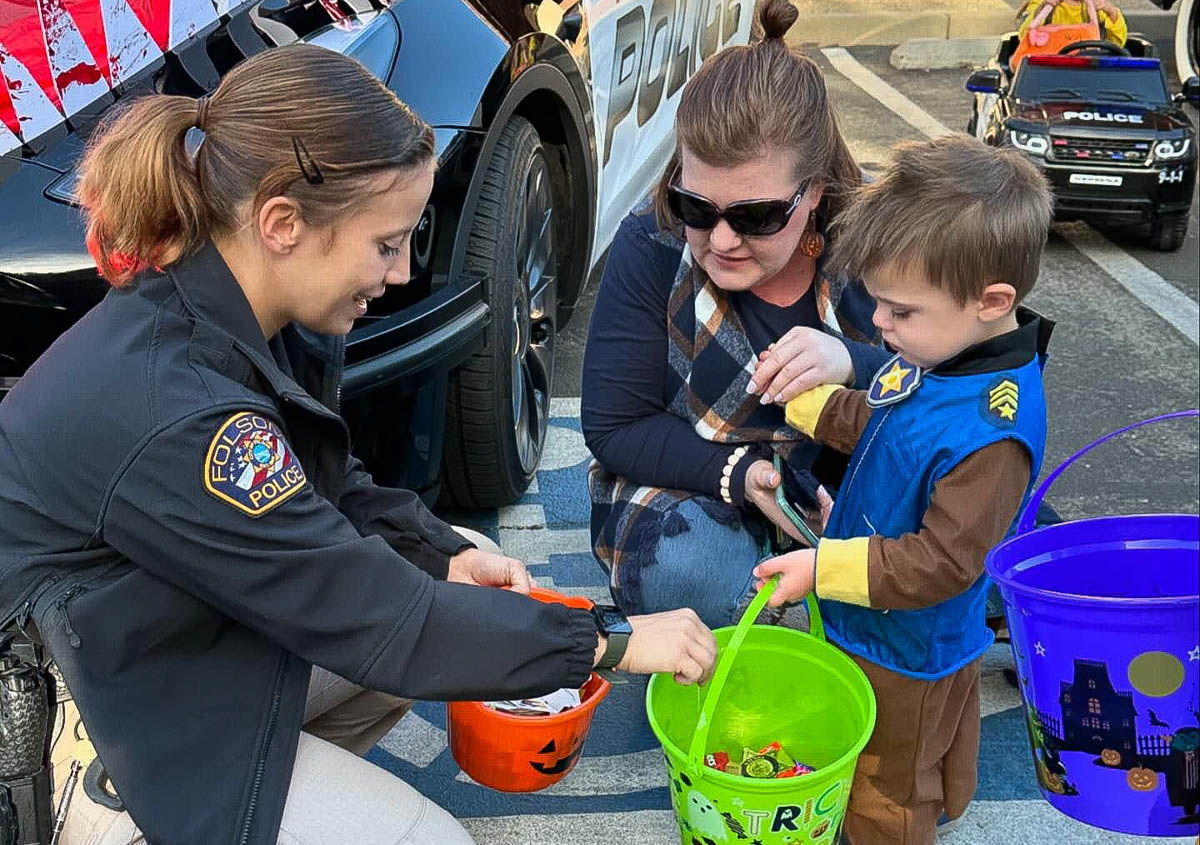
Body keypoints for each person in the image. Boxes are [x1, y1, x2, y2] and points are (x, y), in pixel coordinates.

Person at [0, 45, 718, 845]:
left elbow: (331, 492)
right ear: (282, 223)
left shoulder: (251, 307)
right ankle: (146, 824)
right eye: (385, 243)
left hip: (154, 631)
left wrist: (439, 550)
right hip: (79, 716)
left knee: (456, 565)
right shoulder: (182, 413)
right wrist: (606, 639)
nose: (404, 270)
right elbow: (382, 624)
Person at [752, 134, 1054, 844]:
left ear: (993, 300)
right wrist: (811, 408)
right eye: (876, 303)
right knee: (936, 740)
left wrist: (822, 567)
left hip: (906, 640)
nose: (878, 325)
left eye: (899, 310)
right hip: (887, 616)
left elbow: (943, 562)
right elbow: (889, 424)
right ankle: (949, 795)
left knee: (887, 780)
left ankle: (909, 821)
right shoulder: (943, 353)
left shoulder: (992, 429)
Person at [581, 0, 890, 631]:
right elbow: (615, 426)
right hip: (694, 487)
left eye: (755, 217)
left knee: (990, 511)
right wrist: (739, 472)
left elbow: (971, 385)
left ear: (816, 195)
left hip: (854, 489)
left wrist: (856, 363)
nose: (720, 240)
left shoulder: (882, 241)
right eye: (696, 205)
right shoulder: (652, 241)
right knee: (681, 569)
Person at [1018, 0, 1129, 48]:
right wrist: (1042, 9)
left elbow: (1117, 43)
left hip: (1088, 67)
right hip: (1050, 67)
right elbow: (1024, 37)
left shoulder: (1097, 6)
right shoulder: (1041, 2)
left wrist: (1112, 12)